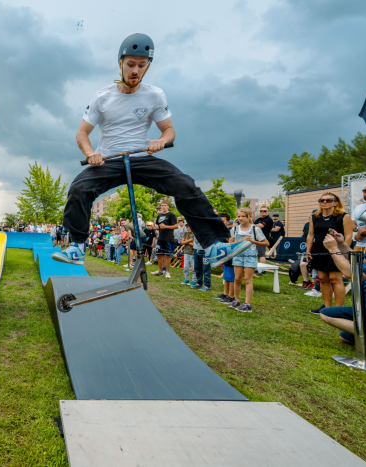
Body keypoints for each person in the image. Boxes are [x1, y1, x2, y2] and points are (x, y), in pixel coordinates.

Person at [52, 33, 250, 266]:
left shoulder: (155, 95)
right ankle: (76, 247)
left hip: (141, 157)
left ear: (147, 67)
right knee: (79, 188)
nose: (135, 70)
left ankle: (215, 245)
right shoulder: (102, 96)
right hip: (109, 159)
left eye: (141, 65)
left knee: (185, 185)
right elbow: (82, 133)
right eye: (131, 64)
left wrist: (161, 141)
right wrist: (90, 154)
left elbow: (169, 130)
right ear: (120, 64)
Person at [320, 221, 366, 361]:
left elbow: (351, 273)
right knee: (346, 337)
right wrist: (341, 244)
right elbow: (359, 260)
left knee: (327, 314)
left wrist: (333, 249)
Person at [306, 193, 353, 315]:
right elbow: (311, 235)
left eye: (328, 200)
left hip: (336, 250)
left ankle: (338, 310)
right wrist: (308, 251)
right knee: (322, 279)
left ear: (336, 202)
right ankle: (327, 307)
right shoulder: (314, 217)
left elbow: (348, 236)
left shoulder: (344, 216)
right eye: (321, 200)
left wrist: (343, 252)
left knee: (335, 279)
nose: (324, 202)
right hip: (319, 249)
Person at [227, 208, 268, 312]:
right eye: (239, 216)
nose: (240, 218)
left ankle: (247, 304)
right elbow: (230, 243)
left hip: (250, 255)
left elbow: (266, 243)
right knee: (237, 279)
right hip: (238, 254)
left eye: (243, 216)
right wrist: (242, 240)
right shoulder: (234, 229)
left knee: (247, 279)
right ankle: (236, 300)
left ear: (250, 217)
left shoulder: (255, 229)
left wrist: (253, 241)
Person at [152, 200, 177, 278]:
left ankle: (167, 272)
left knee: (167, 255)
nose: (163, 207)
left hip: (168, 238)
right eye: (162, 205)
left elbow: (176, 226)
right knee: (159, 254)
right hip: (160, 238)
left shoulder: (171, 215)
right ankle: (160, 271)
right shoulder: (159, 216)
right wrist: (155, 227)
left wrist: (166, 227)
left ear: (168, 206)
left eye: (165, 205)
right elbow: (160, 227)